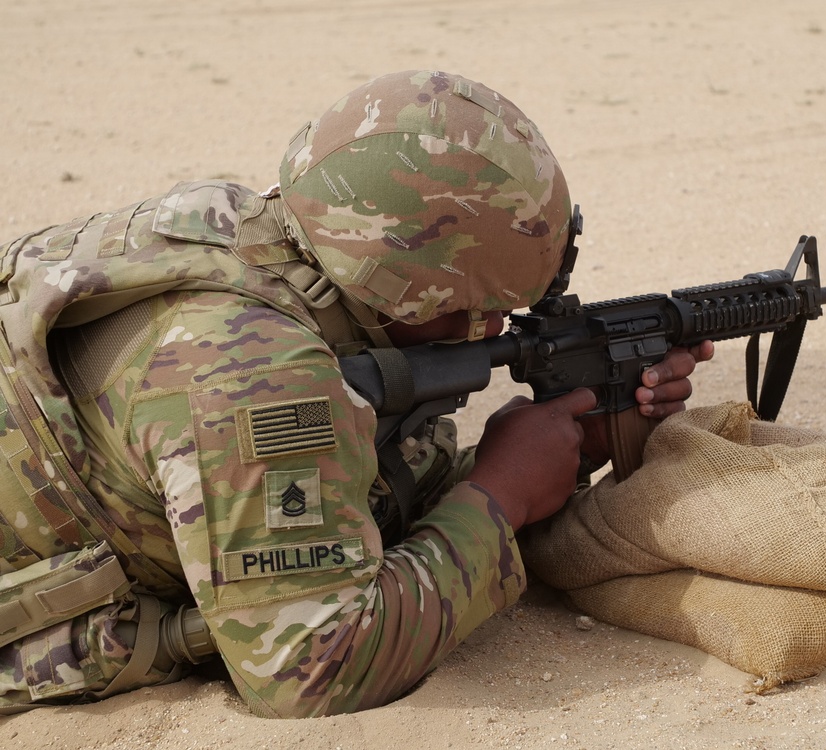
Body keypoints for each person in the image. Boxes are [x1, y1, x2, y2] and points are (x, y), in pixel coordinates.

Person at [0, 70, 712, 717]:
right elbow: (311, 668)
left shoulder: (245, 231)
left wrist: (567, 443)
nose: (495, 325)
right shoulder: (260, 377)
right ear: (410, 289)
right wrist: (502, 496)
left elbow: (337, 488)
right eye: (489, 306)